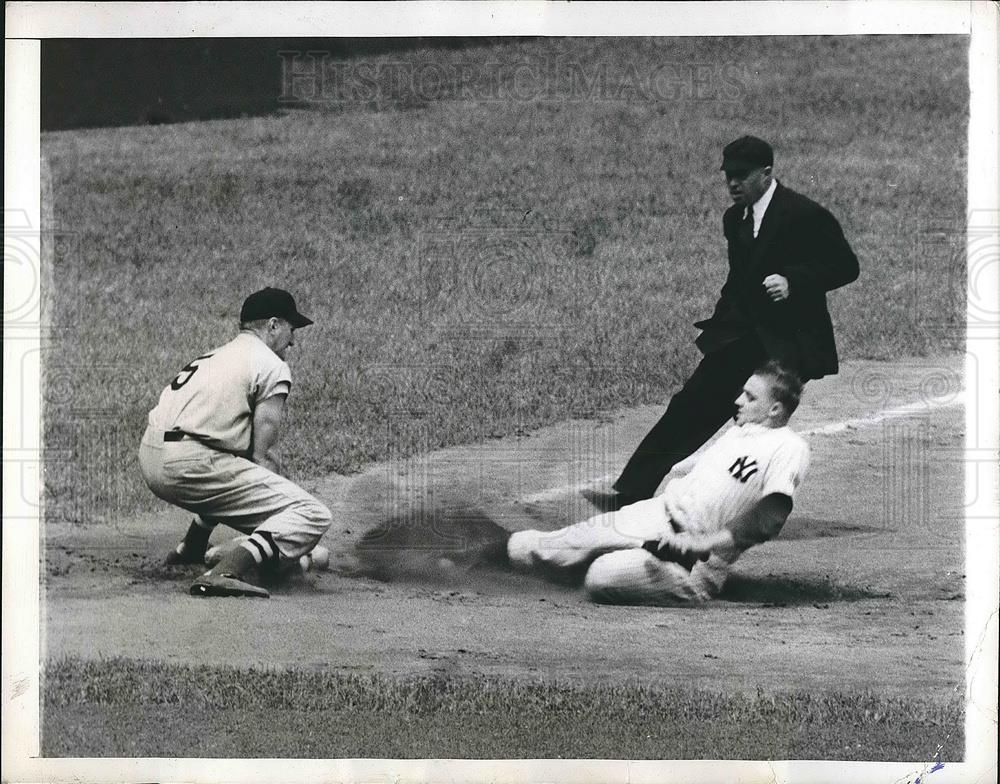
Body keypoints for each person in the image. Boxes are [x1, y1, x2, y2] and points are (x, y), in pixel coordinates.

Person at [594, 135, 857, 511]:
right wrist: (720, 329)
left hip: (788, 343)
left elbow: (846, 266)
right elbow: (738, 282)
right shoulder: (735, 219)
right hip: (743, 335)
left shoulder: (803, 214)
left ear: (766, 173)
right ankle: (631, 493)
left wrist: (794, 281)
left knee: (757, 423)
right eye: (728, 175)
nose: (733, 183)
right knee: (689, 406)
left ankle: (752, 508)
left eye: (742, 175)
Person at [508, 361, 809, 604]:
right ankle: (489, 552)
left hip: (693, 561)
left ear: (775, 409)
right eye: (743, 392)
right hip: (655, 516)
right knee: (546, 545)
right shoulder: (739, 432)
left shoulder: (788, 447)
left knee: (602, 576)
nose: (738, 401)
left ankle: (608, 560)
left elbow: (772, 513)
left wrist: (701, 543)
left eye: (750, 397)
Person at [138, 287, 332, 598]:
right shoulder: (272, 365)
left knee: (231, 459)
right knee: (312, 513)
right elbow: (262, 456)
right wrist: (288, 528)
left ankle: (191, 547)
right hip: (188, 465)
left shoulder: (215, 356)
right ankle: (223, 572)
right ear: (273, 325)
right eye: (291, 330)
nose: (293, 342)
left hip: (151, 456)